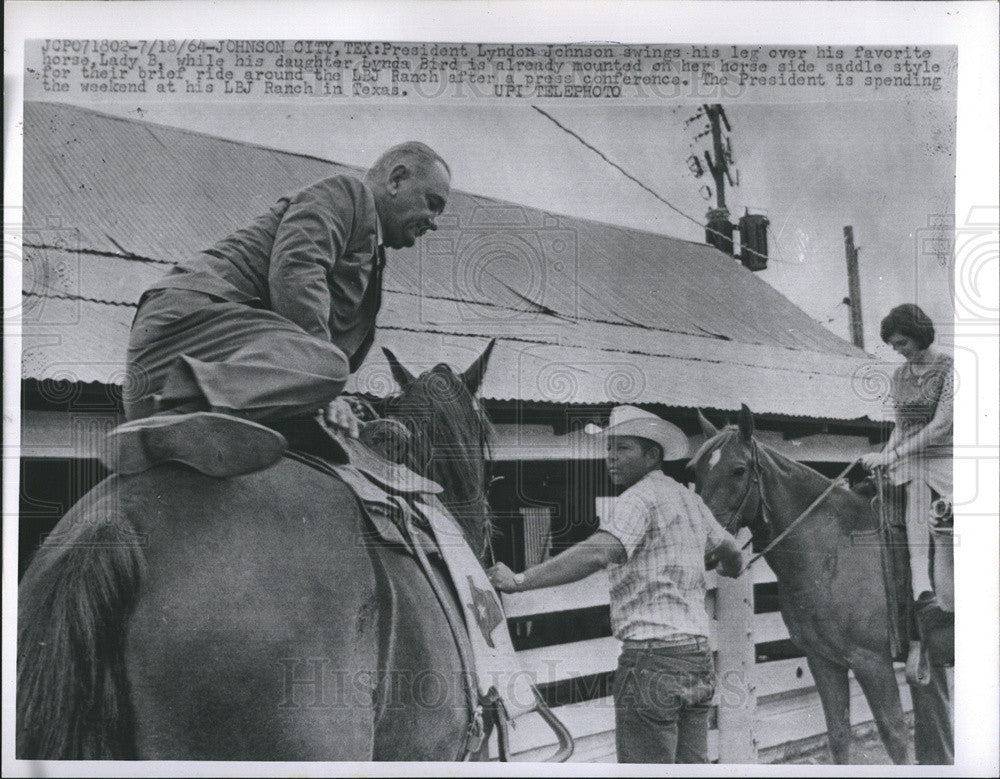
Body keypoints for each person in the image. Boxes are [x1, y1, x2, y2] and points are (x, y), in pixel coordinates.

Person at [106, 142, 451, 477]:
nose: (434, 222)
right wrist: (322, 384)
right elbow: (296, 269)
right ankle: (180, 414)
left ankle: (197, 417)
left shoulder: (371, 251)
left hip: (204, 364)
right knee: (329, 366)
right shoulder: (346, 195)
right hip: (183, 336)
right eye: (432, 203)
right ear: (396, 179)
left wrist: (327, 394)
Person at [487, 405, 742, 764]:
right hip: (696, 660)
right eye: (609, 449)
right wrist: (730, 565)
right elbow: (730, 548)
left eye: (623, 449)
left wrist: (519, 580)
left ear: (653, 454)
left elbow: (597, 553)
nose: (611, 458)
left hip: (652, 662)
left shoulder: (637, 498)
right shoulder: (688, 498)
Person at [860, 303, 954, 765]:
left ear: (919, 334)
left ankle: (927, 589)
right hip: (911, 457)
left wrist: (901, 456)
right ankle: (915, 592)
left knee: (918, 487)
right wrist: (885, 453)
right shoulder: (900, 376)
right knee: (876, 497)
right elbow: (900, 424)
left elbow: (941, 426)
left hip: (944, 457)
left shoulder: (949, 367)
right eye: (893, 346)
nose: (899, 351)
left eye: (902, 342)